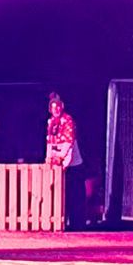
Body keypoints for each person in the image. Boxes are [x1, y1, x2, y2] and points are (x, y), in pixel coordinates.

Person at [46, 92, 86, 228]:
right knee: (61, 192)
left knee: (75, 194)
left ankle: (77, 224)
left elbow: (69, 142)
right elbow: (50, 142)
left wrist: (61, 159)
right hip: (59, 163)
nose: (56, 109)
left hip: (72, 163)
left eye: (58, 106)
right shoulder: (50, 122)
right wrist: (49, 157)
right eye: (53, 107)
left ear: (61, 107)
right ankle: (63, 221)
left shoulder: (68, 120)